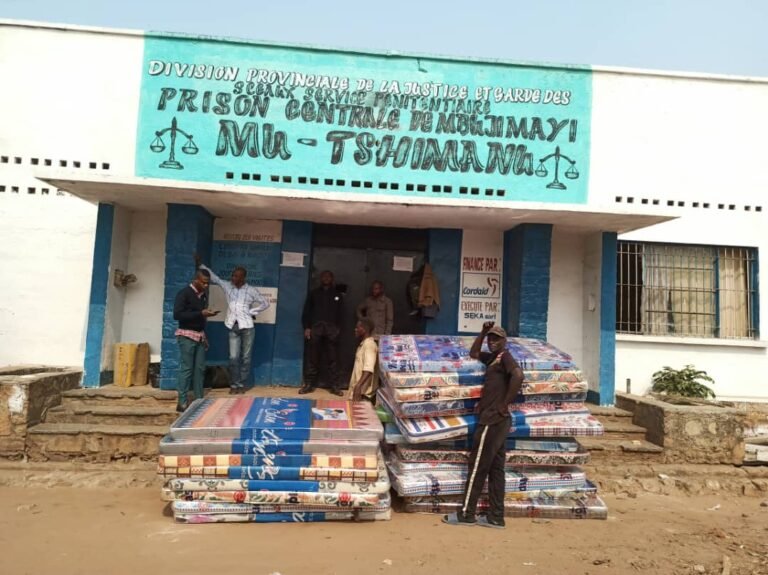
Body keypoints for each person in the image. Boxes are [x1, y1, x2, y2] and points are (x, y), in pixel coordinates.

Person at [442, 321, 523, 529]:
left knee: (477, 465)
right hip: (498, 421)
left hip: (493, 420)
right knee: (496, 470)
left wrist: (504, 404)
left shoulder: (505, 357)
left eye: (496, 339)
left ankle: (466, 514)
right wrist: (483, 331)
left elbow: (518, 375)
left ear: (505, 341)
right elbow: (474, 352)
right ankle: (496, 516)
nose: (492, 342)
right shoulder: (492, 359)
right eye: (491, 339)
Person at [195, 256, 270, 395]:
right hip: (232, 326)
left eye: (236, 276)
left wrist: (252, 311)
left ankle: (241, 383)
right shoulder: (227, 286)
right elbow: (215, 278)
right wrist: (201, 266)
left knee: (246, 358)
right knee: (233, 357)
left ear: (243, 278)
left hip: (247, 327)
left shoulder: (251, 290)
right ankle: (234, 384)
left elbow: (265, 303)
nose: (233, 278)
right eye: (233, 275)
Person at [173, 269, 218, 412]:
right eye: (203, 283)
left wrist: (206, 314)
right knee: (186, 369)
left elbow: (198, 315)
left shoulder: (202, 295)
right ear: (196, 280)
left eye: (207, 283)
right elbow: (177, 315)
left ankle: (199, 399)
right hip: (186, 336)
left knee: (200, 369)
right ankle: (182, 402)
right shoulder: (184, 293)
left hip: (199, 335)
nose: (206, 285)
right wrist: (200, 313)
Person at [301, 270, 344, 396]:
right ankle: (309, 385)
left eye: (328, 276)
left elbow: (341, 314)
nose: (326, 278)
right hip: (316, 329)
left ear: (332, 278)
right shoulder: (314, 293)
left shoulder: (337, 295)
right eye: (324, 276)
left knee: (333, 359)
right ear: (321, 278)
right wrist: (307, 327)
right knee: (312, 358)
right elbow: (306, 312)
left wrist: (338, 329)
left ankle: (335, 386)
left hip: (331, 331)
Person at [350, 318, 378, 402]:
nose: (355, 330)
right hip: (359, 392)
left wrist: (358, 386)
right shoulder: (363, 345)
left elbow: (368, 369)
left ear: (364, 329)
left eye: (357, 327)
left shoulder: (369, 345)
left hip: (363, 395)